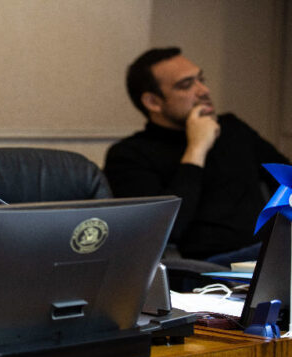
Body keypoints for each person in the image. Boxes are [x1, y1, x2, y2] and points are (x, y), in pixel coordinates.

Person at [104, 47, 289, 266]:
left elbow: (287, 180)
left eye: (201, 80)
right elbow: (161, 233)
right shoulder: (129, 155)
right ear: (153, 102)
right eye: (186, 85)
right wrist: (197, 149)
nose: (203, 90)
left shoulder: (232, 128)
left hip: (268, 255)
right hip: (206, 267)